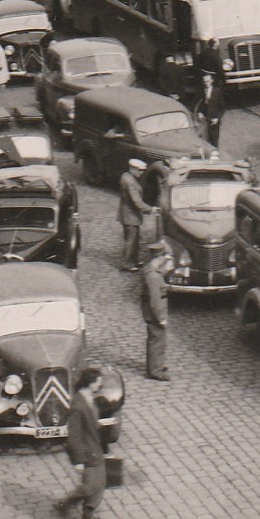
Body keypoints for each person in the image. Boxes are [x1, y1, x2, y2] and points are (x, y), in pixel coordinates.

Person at [53, 368, 109, 519]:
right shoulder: (78, 405)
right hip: (87, 452)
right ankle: (66, 504)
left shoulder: (88, 398)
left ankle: (88, 515)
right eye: (98, 382)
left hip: (95, 448)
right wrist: (78, 460)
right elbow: (74, 436)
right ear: (90, 383)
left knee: (100, 482)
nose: (100, 385)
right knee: (91, 486)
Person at [141, 242, 172, 381]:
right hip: (155, 313)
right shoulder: (153, 277)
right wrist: (161, 317)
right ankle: (155, 370)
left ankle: (155, 365)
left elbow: (157, 275)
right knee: (157, 341)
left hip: (151, 311)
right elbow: (155, 300)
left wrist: (165, 270)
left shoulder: (150, 270)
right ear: (159, 258)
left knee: (157, 339)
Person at [117, 161, 148, 272]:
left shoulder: (126, 176)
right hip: (131, 216)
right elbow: (137, 202)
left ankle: (134, 261)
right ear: (133, 169)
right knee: (131, 241)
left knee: (134, 239)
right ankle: (126, 263)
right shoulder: (130, 183)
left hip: (127, 214)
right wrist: (150, 209)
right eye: (140, 170)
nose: (142, 173)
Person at [195, 70, 224, 149]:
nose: (206, 83)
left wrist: (217, 118)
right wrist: (199, 112)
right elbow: (197, 104)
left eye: (208, 81)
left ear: (212, 81)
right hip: (203, 122)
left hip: (214, 122)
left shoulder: (217, 92)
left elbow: (222, 108)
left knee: (214, 143)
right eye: (204, 82)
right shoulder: (200, 91)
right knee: (204, 142)